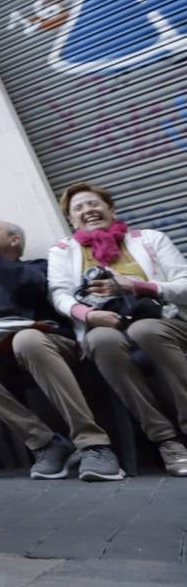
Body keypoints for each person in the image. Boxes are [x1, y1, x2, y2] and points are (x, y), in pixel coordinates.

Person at [0, 220, 123, 480]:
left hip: (45, 345)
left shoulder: (38, 267)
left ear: (14, 241)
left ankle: (93, 443)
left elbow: (24, 286)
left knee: (26, 339)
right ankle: (44, 443)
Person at [47, 183, 187, 476]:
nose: (89, 210)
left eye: (94, 204)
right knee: (100, 340)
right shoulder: (63, 251)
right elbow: (59, 295)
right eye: (79, 208)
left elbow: (184, 284)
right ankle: (166, 440)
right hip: (105, 324)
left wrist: (137, 286)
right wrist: (89, 314)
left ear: (111, 209)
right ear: (72, 220)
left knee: (145, 330)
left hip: (163, 321)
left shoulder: (149, 239)